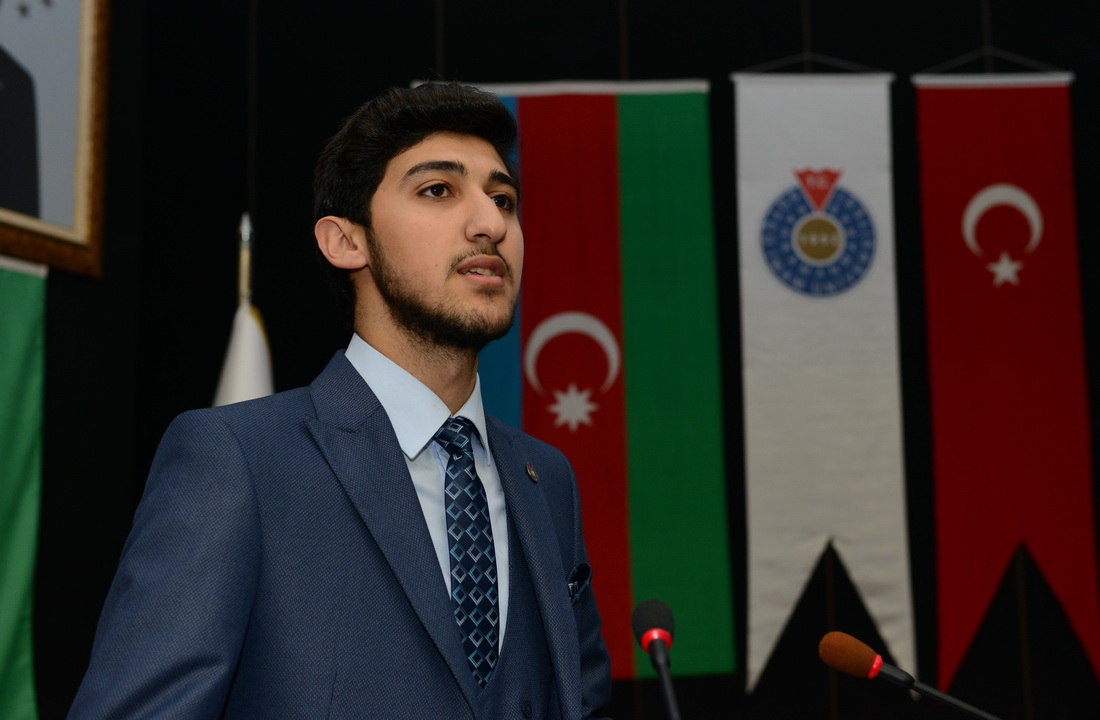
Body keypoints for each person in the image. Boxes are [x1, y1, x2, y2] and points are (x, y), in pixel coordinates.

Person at [69, 83, 612, 719]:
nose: (491, 223)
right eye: (438, 190)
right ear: (344, 242)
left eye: (503, 199)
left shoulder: (547, 479)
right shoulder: (237, 459)